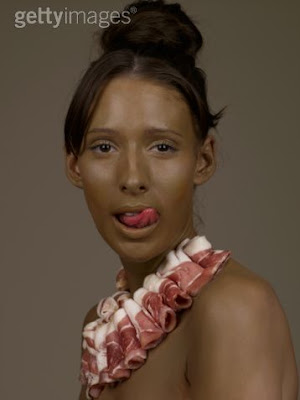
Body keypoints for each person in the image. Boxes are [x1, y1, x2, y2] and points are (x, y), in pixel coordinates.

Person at [63, 1, 299, 399]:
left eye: (162, 147)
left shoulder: (234, 310)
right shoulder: (105, 332)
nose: (133, 178)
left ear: (203, 159)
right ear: (74, 165)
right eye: (104, 146)